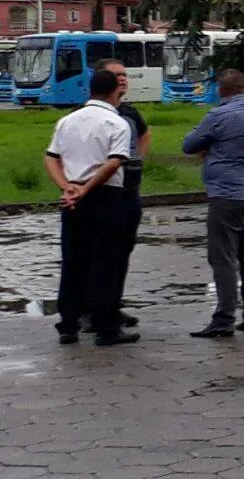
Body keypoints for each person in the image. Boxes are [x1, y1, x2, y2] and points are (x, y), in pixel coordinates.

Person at [43, 69, 136, 346]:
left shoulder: (67, 121)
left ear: (90, 90)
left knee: (73, 260)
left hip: (72, 198)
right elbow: (114, 162)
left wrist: (67, 186)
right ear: (112, 92)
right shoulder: (116, 123)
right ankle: (105, 325)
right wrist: (87, 187)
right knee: (105, 261)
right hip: (105, 196)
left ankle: (68, 324)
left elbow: (51, 158)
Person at [182, 69, 244, 338]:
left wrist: (209, 147)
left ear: (221, 91)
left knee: (223, 259)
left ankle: (224, 318)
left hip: (226, 195)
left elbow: (189, 144)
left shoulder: (218, 115)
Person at [80, 58, 151, 334]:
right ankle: (89, 309)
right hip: (100, 192)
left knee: (122, 251)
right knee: (96, 253)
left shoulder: (130, 113)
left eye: (125, 74)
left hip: (129, 192)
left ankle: (111, 306)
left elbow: (144, 135)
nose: (122, 79)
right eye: (116, 75)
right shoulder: (88, 113)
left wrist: (138, 159)